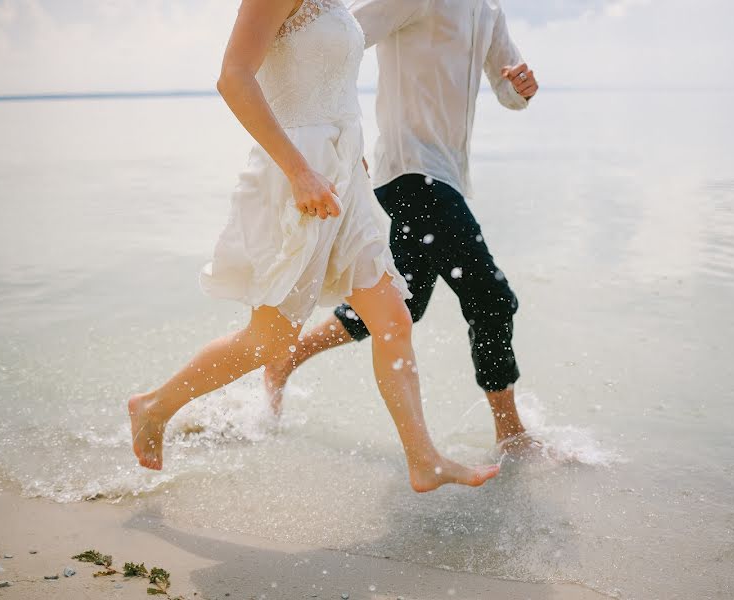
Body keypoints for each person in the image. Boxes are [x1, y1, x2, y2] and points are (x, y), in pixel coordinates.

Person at [128, 0, 500, 493]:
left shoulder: (335, 4)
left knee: (393, 319)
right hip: (296, 177)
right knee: (271, 339)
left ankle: (423, 459)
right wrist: (299, 171)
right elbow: (234, 78)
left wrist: (354, 163)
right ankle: (153, 407)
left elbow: (333, 91)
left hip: (344, 178)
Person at [264, 0, 540, 452]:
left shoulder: (489, 10)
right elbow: (336, 42)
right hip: (410, 172)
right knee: (491, 298)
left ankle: (285, 357)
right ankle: (512, 435)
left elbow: (509, 90)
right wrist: (338, 140)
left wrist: (522, 88)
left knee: (403, 303)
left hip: (444, 177)